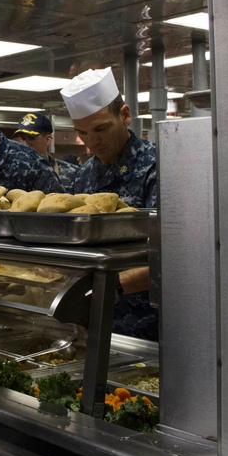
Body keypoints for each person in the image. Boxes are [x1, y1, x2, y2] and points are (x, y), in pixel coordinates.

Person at [61, 66, 158, 340]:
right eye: (84, 133)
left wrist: (108, 286)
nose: (93, 142)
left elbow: (175, 257)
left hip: (148, 329)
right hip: (96, 323)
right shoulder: (84, 175)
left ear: (125, 115)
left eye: (101, 129)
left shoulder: (157, 168)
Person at [11, 112, 78, 189]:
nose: (26, 143)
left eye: (32, 138)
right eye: (23, 138)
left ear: (48, 140)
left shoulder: (70, 173)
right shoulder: (13, 171)